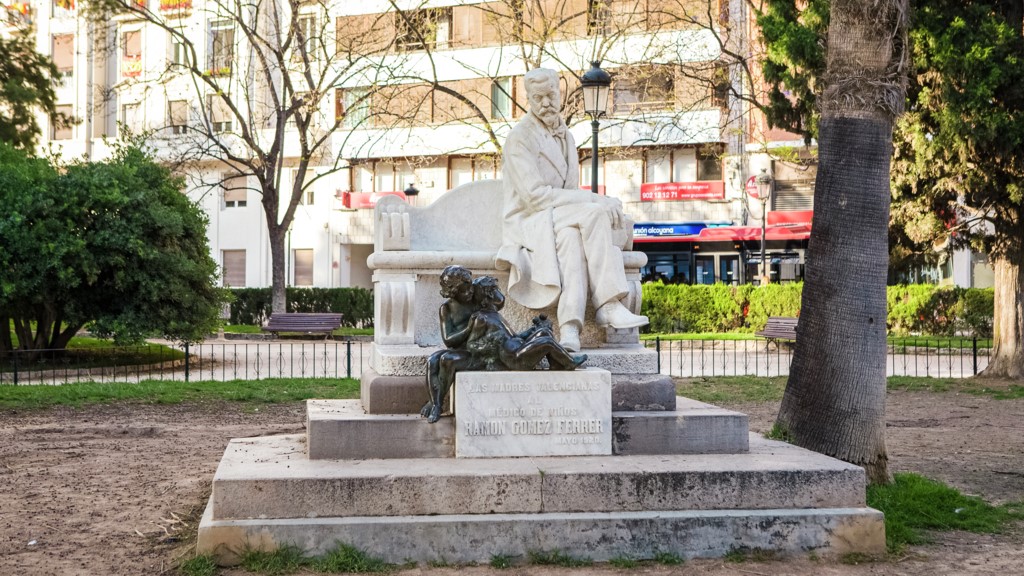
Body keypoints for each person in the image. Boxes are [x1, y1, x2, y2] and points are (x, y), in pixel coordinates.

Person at [496, 67, 647, 352]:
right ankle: (608, 303)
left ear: (560, 93)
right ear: (529, 99)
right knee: (593, 213)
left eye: (550, 95)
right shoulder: (520, 138)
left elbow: (568, 191)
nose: (545, 103)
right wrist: (595, 200)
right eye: (538, 98)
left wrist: (590, 201)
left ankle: (570, 329)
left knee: (571, 237)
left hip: (555, 219)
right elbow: (535, 198)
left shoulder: (566, 136)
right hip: (528, 220)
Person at [421, 265, 477, 421]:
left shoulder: (476, 301)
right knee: (432, 361)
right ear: (453, 291)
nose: (470, 292)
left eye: (471, 287)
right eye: (465, 290)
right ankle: (434, 401)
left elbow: (499, 301)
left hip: (474, 350)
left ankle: (437, 404)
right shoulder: (446, 309)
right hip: (458, 349)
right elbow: (448, 340)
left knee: (448, 360)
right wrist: (469, 328)